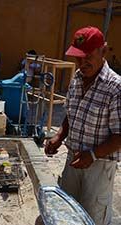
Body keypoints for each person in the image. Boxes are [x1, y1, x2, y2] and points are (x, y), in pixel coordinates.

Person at [45, 26, 121, 225]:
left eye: (87, 56)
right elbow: (72, 115)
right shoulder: (77, 79)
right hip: (74, 159)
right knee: (67, 214)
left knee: (92, 217)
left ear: (102, 51)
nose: (81, 63)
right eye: (78, 57)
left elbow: (119, 136)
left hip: (99, 164)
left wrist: (93, 155)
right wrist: (59, 136)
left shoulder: (115, 87)